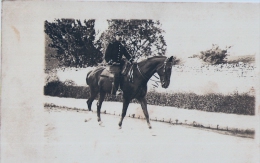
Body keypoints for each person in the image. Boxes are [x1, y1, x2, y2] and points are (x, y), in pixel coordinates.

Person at [105, 31, 133, 95]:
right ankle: (117, 89)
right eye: (118, 35)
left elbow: (127, 54)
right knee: (117, 74)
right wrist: (111, 62)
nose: (120, 37)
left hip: (120, 64)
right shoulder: (111, 44)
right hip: (112, 65)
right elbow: (107, 56)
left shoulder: (122, 46)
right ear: (116, 36)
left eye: (121, 35)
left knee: (127, 72)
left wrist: (132, 60)